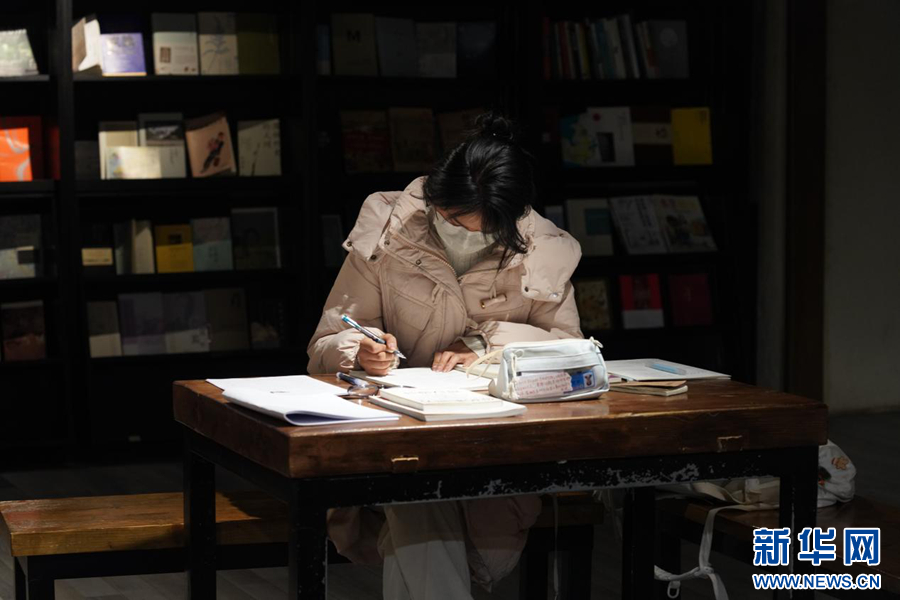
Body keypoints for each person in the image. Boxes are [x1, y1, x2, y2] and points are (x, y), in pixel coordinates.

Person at [307, 113, 584, 600]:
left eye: (481, 230)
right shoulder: (389, 231)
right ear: (434, 198)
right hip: (393, 437)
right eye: (452, 220)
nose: (461, 234)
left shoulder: (543, 249)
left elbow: (571, 352)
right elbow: (325, 344)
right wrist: (360, 351)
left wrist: (485, 341)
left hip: (494, 446)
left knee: (414, 498)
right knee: (412, 485)